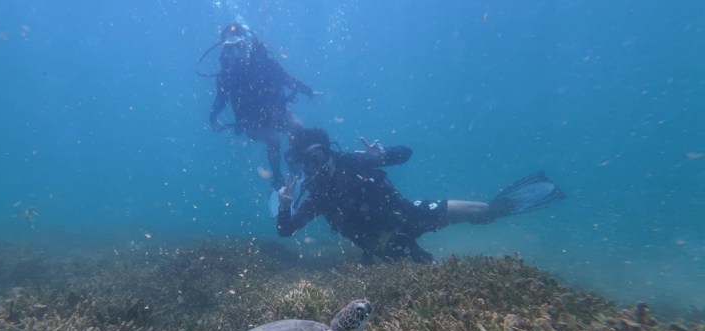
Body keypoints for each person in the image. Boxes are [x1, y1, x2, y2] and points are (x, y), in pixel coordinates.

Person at [276, 127, 565, 264]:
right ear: (302, 165)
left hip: (409, 213)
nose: (318, 166)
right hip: (384, 243)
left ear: (330, 152)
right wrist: (285, 206)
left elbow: (406, 154)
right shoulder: (318, 197)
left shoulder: (353, 161)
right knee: (428, 272)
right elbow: (286, 230)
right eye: (309, 162)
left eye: (321, 156)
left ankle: (513, 202)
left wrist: (383, 154)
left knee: (480, 209)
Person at [203, 23, 316, 189]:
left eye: (239, 45)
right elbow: (221, 99)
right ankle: (277, 178)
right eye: (229, 48)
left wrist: (308, 91)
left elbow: (287, 79)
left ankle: (294, 160)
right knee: (273, 139)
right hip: (251, 122)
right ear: (225, 51)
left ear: (247, 43)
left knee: (298, 127)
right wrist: (212, 117)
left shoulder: (266, 63)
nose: (236, 52)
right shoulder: (226, 75)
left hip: (276, 113)